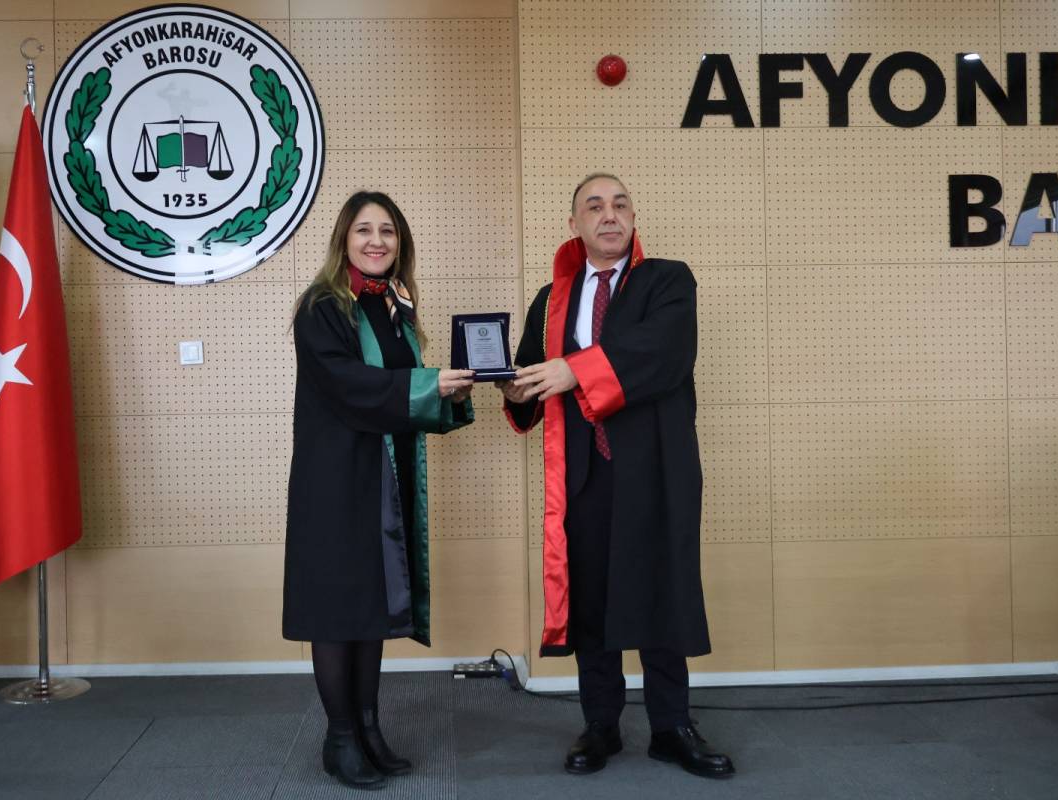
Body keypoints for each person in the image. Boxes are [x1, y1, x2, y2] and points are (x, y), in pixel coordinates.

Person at [498, 173, 734, 779]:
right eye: (595, 206)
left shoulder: (668, 280)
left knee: (662, 594)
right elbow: (533, 373)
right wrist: (516, 387)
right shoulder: (551, 300)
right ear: (574, 224)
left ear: (633, 217)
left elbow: (663, 352)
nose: (610, 215)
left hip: (655, 470)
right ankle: (600, 723)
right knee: (591, 603)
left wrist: (574, 371)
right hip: (583, 474)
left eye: (620, 204)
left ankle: (671, 727)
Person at [284, 191, 474, 790]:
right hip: (335, 479)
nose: (376, 241)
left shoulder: (394, 306)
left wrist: (447, 389)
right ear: (343, 239)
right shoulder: (322, 307)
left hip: (382, 476)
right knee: (337, 609)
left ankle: (368, 728)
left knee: (370, 607)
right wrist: (428, 383)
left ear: (400, 243)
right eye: (364, 230)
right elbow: (349, 384)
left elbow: (401, 388)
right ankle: (340, 738)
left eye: (387, 231)